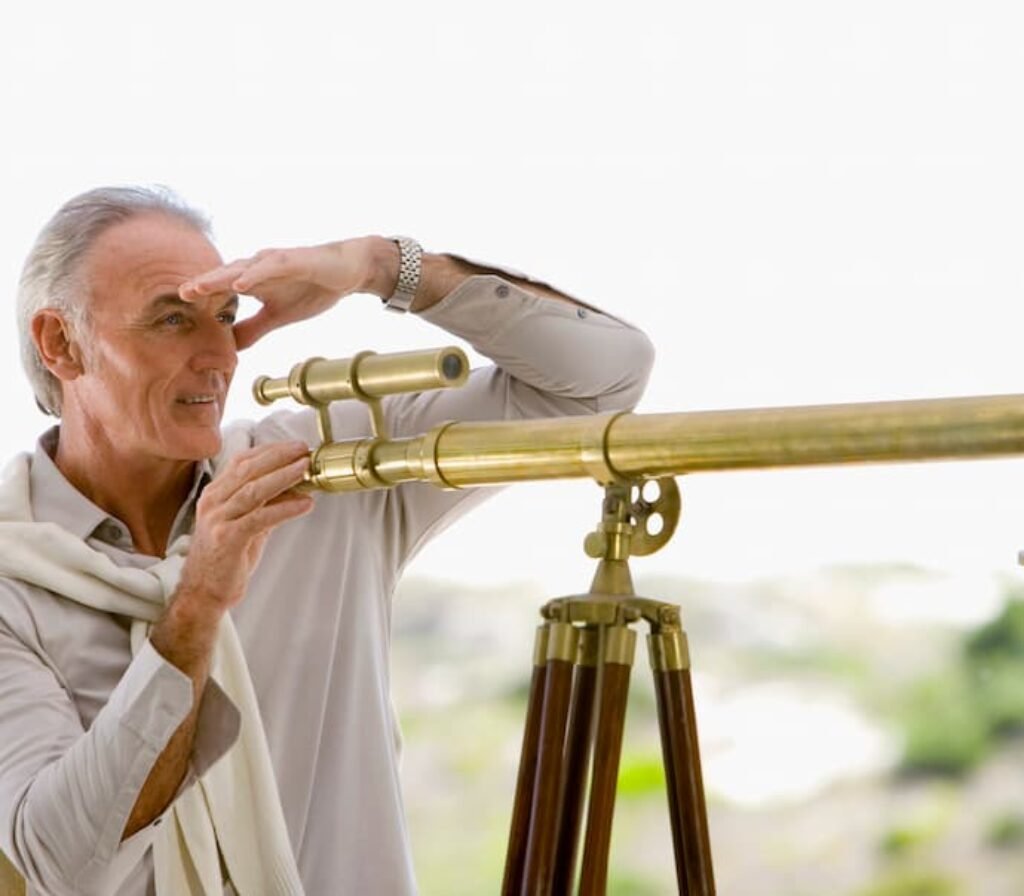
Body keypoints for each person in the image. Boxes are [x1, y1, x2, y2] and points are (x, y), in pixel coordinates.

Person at [0, 185, 654, 895]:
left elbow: (602, 381)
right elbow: (57, 862)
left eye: (226, 316)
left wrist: (379, 267)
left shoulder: (326, 465)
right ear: (61, 344)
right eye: (172, 320)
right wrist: (195, 609)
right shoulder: (9, 578)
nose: (220, 355)